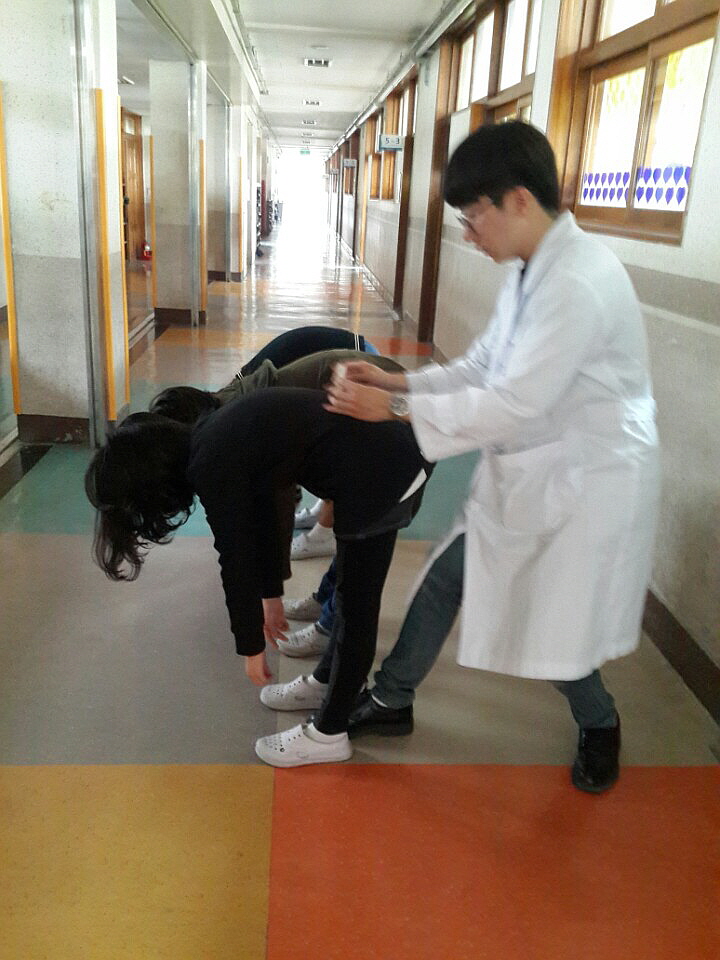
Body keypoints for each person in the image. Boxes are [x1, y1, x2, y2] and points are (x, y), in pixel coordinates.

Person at [320, 121, 660, 793]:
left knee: (552, 623)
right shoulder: (532, 269)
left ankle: (599, 723)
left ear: (519, 201)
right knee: (448, 577)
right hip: (536, 468)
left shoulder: (577, 282)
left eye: (474, 216)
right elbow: (482, 366)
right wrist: (394, 382)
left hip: (587, 481)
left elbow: (513, 401)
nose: (470, 234)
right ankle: (392, 697)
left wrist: (394, 411)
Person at [85, 387, 432, 768]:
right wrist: (271, 596)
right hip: (381, 462)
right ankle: (325, 685)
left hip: (383, 473)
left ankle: (329, 734)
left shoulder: (211, 463)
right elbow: (265, 515)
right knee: (350, 599)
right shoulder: (216, 438)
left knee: (356, 609)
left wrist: (250, 647)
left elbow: (235, 559)